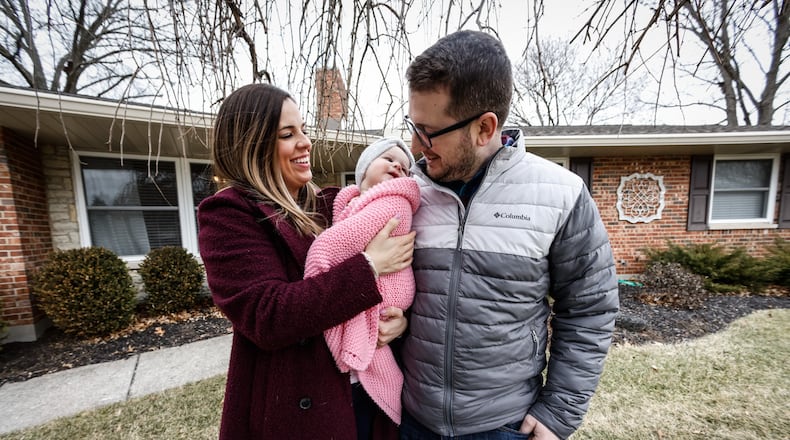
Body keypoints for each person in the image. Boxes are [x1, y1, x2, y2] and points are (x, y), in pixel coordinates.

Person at [399, 30, 619, 440]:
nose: (415, 144)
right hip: (412, 422)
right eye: (413, 125)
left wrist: (559, 411)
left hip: (504, 427)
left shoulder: (561, 195)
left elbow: (589, 309)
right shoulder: (404, 194)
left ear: (485, 127)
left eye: (428, 131)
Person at [197, 83, 414, 440]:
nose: (305, 143)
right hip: (299, 414)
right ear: (251, 144)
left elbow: (397, 279)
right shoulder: (229, 214)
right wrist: (368, 266)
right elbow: (268, 316)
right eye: (287, 134)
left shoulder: (333, 205)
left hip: (363, 394)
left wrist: (398, 323)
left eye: (303, 130)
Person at [305, 137, 420, 439]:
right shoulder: (355, 206)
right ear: (363, 169)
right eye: (389, 158)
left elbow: (329, 249)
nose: (399, 166)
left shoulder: (393, 201)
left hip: (382, 300)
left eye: (406, 167)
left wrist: (318, 269)